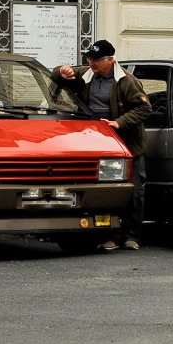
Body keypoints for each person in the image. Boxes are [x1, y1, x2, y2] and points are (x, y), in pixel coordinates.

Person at [52, 39, 151, 251]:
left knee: (134, 192)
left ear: (110, 60)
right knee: (107, 192)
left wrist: (118, 122)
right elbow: (54, 76)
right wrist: (61, 70)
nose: (92, 63)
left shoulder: (127, 81)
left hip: (127, 145)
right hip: (97, 144)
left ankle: (131, 236)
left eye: (96, 60)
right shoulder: (85, 74)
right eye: (89, 58)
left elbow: (144, 109)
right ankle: (110, 236)